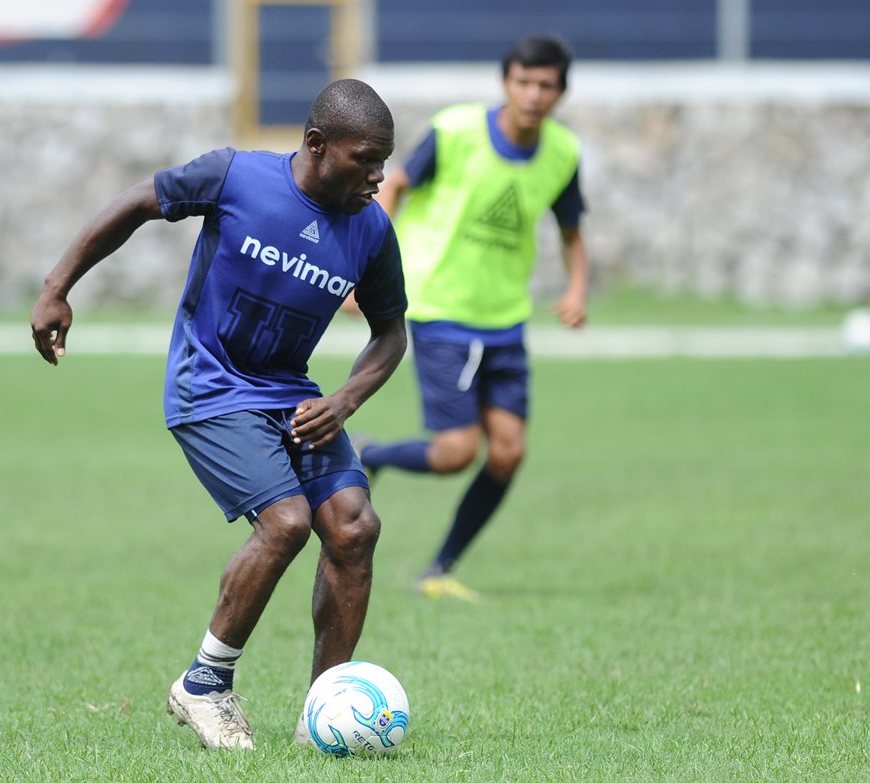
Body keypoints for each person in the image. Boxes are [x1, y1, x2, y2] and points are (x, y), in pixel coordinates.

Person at [30, 79, 407, 750]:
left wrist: (345, 398)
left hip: (289, 393)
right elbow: (137, 203)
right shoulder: (235, 176)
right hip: (209, 386)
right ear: (317, 145)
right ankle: (204, 683)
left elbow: (390, 333)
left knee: (354, 527)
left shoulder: (372, 230)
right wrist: (58, 288)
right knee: (287, 521)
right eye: (365, 158)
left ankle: (326, 708)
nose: (379, 175)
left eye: (384, 159)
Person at [356, 36, 589, 601]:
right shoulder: (455, 131)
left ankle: (439, 569)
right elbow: (394, 188)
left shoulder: (562, 153)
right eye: (524, 82)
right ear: (506, 82)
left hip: (505, 319)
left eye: (546, 86)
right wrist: (367, 266)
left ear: (561, 92)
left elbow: (571, 230)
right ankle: (371, 454)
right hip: (442, 310)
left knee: (508, 452)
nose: (534, 95)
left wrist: (578, 287)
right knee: (458, 453)